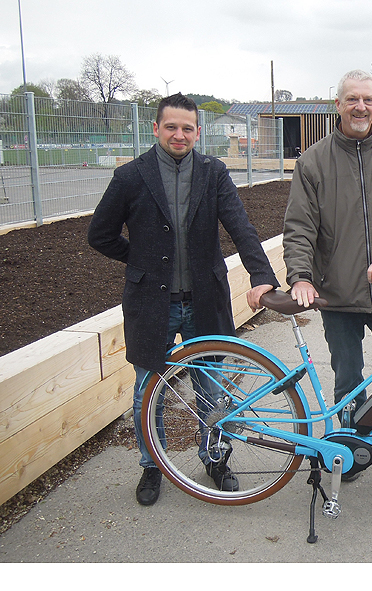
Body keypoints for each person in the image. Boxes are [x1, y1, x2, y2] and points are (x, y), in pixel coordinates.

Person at [88, 93, 279, 506]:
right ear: (156, 128)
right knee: (147, 388)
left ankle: (214, 457)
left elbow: (240, 227)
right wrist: (138, 260)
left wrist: (263, 275)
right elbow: (99, 234)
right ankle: (150, 465)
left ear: (197, 132)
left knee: (210, 387)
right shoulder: (131, 177)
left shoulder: (213, 173)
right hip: (151, 303)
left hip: (203, 300)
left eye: (187, 128)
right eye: (171, 127)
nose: (179, 134)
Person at [282, 69, 372, 499]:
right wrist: (302, 276)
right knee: (348, 379)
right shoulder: (314, 161)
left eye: (367, 99)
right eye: (352, 99)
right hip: (339, 296)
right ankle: (351, 449)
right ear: (338, 105)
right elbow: (299, 227)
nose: (360, 107)